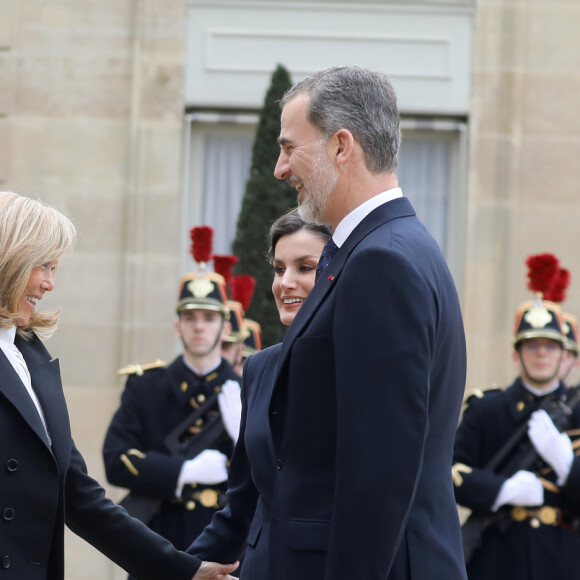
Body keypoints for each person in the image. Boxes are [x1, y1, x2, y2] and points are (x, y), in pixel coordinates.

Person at [193, 66, 468, 579]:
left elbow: (379, 471)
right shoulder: (390, 248)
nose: (279, 168)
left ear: (341, 146)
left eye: (289, 147)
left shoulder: (381, 260)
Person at [0, 191, 238, 579]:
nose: (49, 284)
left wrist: (184, 570)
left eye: (54, 268)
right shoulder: (147, 385)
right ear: (10, 259)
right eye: (42, 265)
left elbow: (79, 495)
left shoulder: (33, 358)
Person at [187, 208, 332, 579]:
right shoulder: (259, 367)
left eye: (305, 267)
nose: (287, 282)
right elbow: (241, 505)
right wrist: (174, 570)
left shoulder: (358, 366)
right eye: (280, 269)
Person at [103, 247, 244, 575]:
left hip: (225, 547)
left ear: (225, 329)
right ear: (177, 326)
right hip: (158, 545)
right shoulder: (146, 387)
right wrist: (183, 472)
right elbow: (117, 458)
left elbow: (277, 474)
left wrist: (244, 440)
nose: (199, 327)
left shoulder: (249, 389)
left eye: (209, 318)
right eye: (190, 317)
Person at [453, 296, 580, 580]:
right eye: (531, 345)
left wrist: (567, 467)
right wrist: (503, 490)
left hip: (566, 560)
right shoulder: (487, 408)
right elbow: (450, 472)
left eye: (550, 346)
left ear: (564, 355)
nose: (541, 354)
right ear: (515, 355)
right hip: (499, 561)